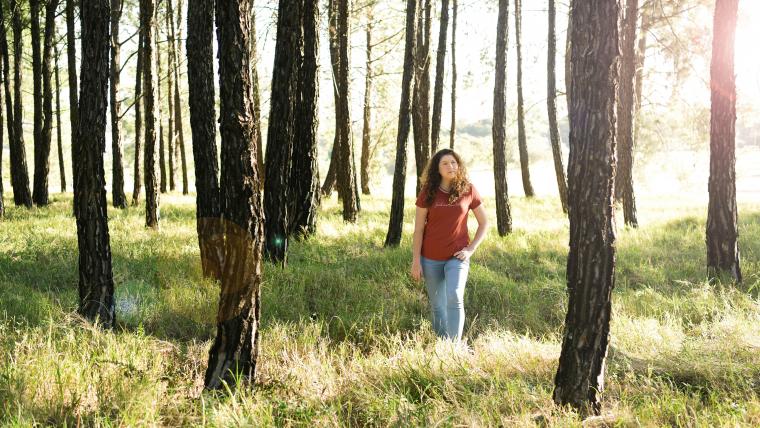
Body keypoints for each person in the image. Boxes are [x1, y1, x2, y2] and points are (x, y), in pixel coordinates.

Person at [411, 149, 489, 341]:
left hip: (458, 256)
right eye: (445, 163)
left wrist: (471, 249)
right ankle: (443, 344)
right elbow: (418, 230)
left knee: (454, 296)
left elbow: (484, 223)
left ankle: (454, 347)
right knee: (437, 305)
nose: (450, 166)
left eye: (453, 162)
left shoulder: (468, 189)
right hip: (430, 257)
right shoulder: (427, 193)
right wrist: (416, 261)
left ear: (459, 165)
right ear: (437, 169)